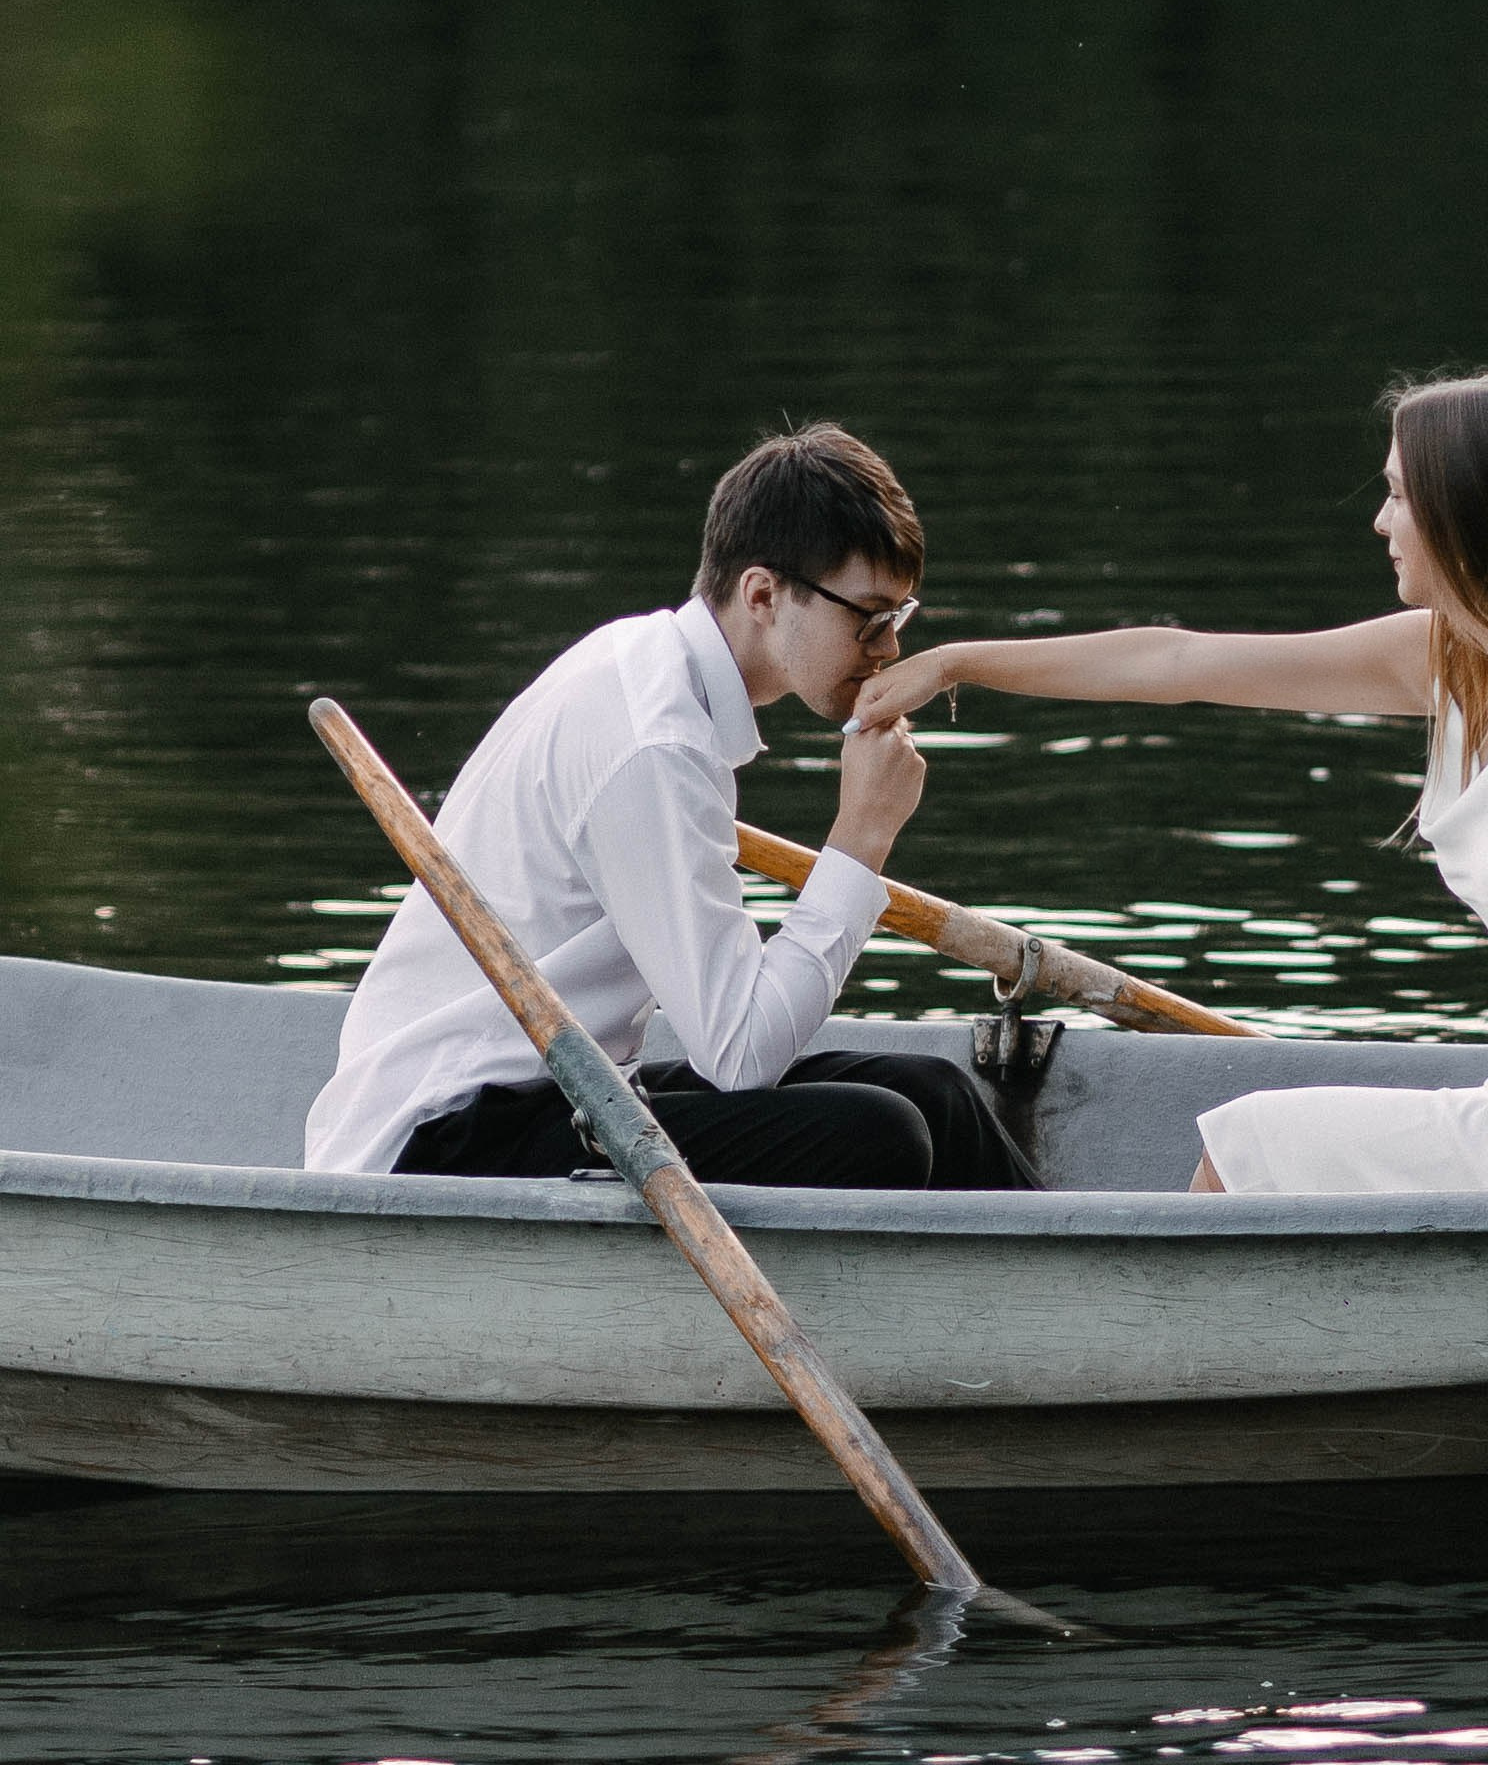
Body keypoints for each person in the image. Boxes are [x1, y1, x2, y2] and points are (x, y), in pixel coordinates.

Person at [852, 372, 1488, 1195]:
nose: (1380, 521)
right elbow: (1179, 662)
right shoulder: (1451, 660)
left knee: (1248, 1138)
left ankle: (1167, 1368)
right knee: (1253, 1139)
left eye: (1398, 495)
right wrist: (957, 664)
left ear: (1470, 512)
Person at [305, 423, 1034, 1191]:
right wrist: (862, 836)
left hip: (564, 1093)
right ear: (763, 594)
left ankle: (1084, 1279)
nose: (886, 650)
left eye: (898, 619)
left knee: (935, 1094)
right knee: (883, 1133)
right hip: (444, 1137)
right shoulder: (654, 743)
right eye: (869, 618)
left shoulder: (644, 664)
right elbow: (742, 1052)